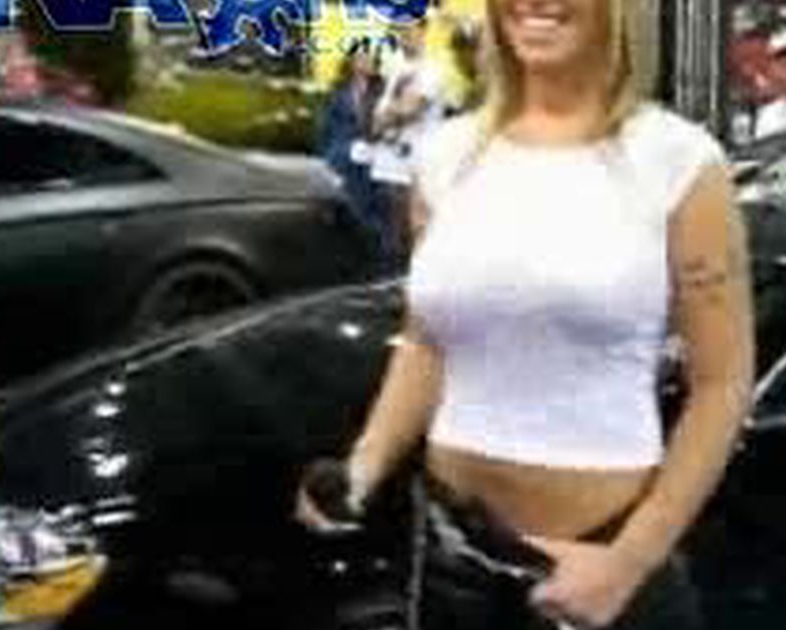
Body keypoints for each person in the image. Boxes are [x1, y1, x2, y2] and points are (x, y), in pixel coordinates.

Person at [297, 0, 754, 628]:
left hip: (599, 568)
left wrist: (629, 562)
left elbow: (722, 383)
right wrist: (363, 467)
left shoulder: (678, 161)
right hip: (452, 557)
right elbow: (429, 340)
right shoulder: (447, 155)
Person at [369, 21, 448, 259]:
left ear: (423, 32)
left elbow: (410, 109)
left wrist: (387, 116)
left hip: (415, 164)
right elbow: (375, 121)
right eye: (400, 30)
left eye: (410, 29)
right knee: (388, 234)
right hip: (386, 163)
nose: (405, 35)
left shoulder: (432, 71)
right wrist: (387, 117)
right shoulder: (393, 70)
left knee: (415, 232)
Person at [315, 46, 392, 257]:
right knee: (348, 206)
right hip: (343, 158)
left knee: (376, 208)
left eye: (370, 58)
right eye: (361, 58)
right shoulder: (337, 91)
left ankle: (379, 253)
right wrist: (327, 159)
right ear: (351, 62)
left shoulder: (383, 90)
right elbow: (325, 129)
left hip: (375, 158)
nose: (366, 62)